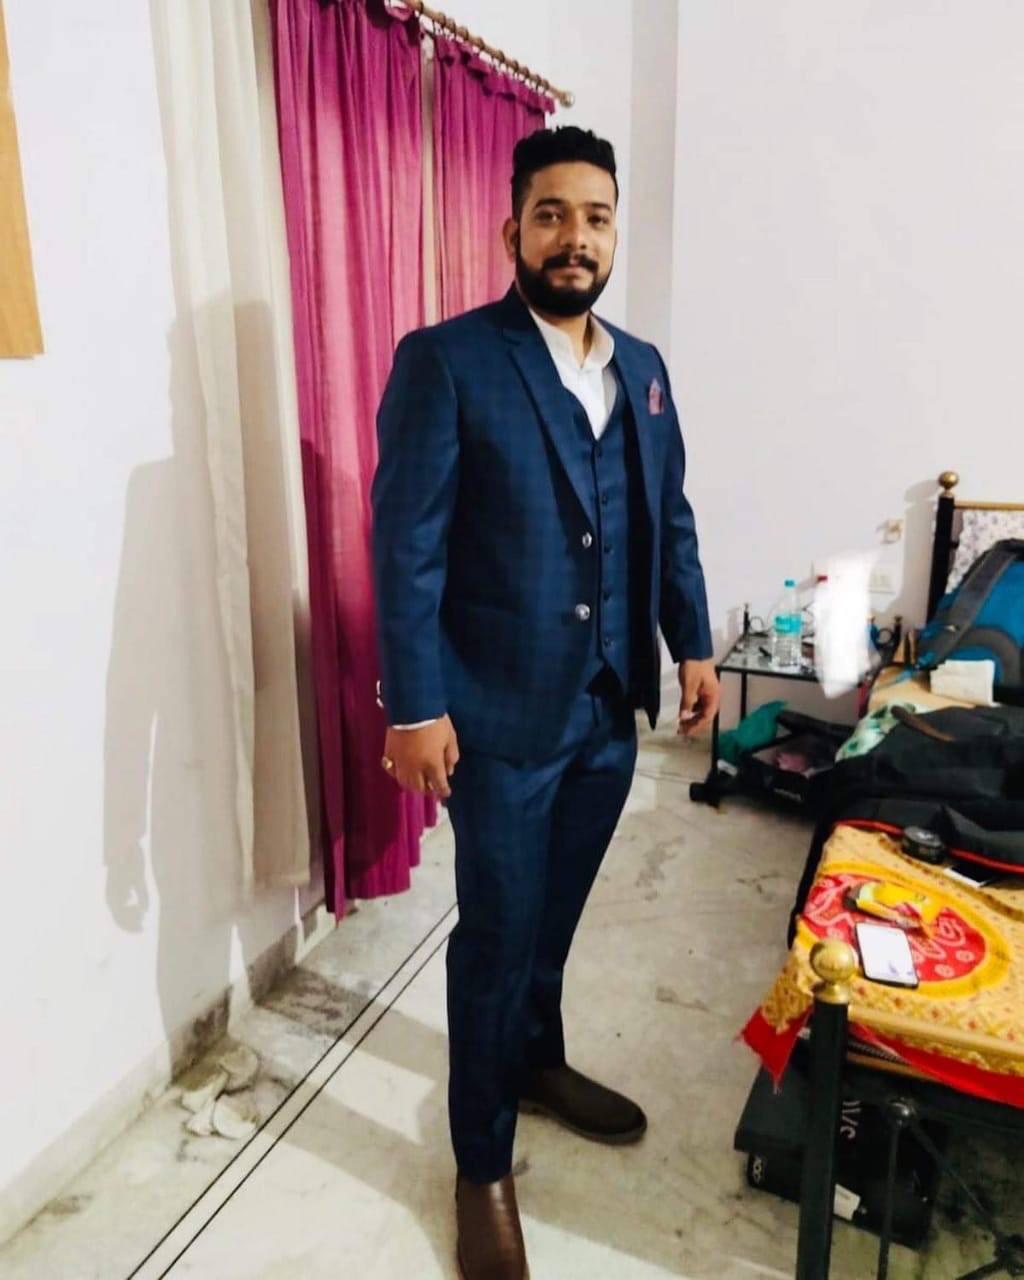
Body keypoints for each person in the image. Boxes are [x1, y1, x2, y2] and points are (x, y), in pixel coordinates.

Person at [371, 125, 719, 1280]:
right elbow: (406, 547)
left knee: (551, 916)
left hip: (604, 712)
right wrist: (412, 705)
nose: (576, 237)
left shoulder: (644, 367)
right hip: (498, 713)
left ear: (616, 232)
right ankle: (481, 1164)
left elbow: (668, 517)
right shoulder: (448, 360)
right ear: (511, 229)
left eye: (596, 216)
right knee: (497, 931)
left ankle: (535, 1058)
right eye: (552, 214)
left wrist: (691, 643)